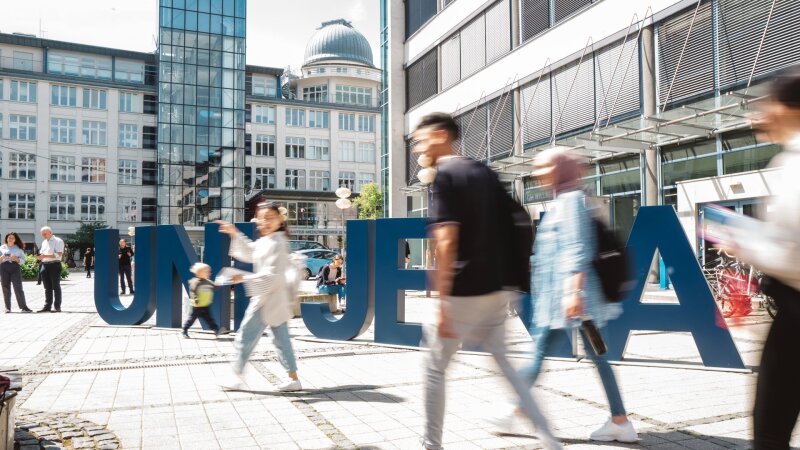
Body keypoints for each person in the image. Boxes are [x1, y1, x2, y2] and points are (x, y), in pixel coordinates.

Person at [413, 113, 560, 450]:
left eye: (420, 140)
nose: (417, 148)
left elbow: (447, 239)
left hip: (463, 291)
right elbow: (517, 221)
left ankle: (430, 444)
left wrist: (442, 300)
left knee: (434, 367)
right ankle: (549, 437)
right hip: (496, 288)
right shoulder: (483, 171)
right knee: (505, 365)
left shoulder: (446, 175)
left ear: (439, 136)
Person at [494, 147, 636, 442]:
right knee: (598, 357)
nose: (538, 174)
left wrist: (574, 293)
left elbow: (577, 249)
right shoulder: (568, 199)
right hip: (567, 299)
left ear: (561, 169)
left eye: (544, 168)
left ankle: (516, 413)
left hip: (568, 300)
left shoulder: (571, 201)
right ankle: (620, 421)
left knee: (541, 354)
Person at [723, 70, 800, 450]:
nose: (757, 116)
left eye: (766, 105)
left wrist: (744, 242)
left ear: (787, 108)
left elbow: (791, 252)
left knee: (770, 428)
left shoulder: (794, 165)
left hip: (796, 312)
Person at [217, 201, 302, 392]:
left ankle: (236, 376)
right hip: (272, 298)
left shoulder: (278, 243)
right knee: (281, 340)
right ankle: (293, 379)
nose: (265, 222)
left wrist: (243, 277)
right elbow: (251, 251)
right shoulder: (268, 240)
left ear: (280, 219)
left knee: (246, 336)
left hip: (267, 298)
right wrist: (234, 232)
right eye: (262, 218)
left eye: (270, 218)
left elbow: (274, 275)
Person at [182, 262, 220, 338]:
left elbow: (215, 286)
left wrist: (217, 285)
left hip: (206, 304)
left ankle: (216, 329)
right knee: (192, 319)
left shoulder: (208, 282)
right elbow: (193, 292)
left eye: (209, 271)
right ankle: (185, 330)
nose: (209, 273)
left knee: (209, 318)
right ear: (199, 273)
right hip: (197, 305)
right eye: (207, 271)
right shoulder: (195, 282)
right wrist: (196, 301)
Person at [1, 232, 32, 313]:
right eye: (9, 237)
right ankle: (7, 308)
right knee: (5, 287)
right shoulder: (1, 247)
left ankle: (24, 307)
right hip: (4, 267)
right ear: (6, 239)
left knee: (18, 287)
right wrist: (2, 257)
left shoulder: (18, 248)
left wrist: (17, 259)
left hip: (15, 267)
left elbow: (23, 260)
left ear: (15, 240)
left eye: (12, 238)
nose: (10, 239)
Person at [37, 226, 64, 313]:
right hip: (44, 265)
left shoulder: (58, 240)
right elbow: (42, 253)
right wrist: (39, 258)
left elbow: (59, 254)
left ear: (50, 232)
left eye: (44, 234)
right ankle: (47, 306)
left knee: (56, 286)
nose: (43, 236)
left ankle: (57, 307)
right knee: (47, 287)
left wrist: (45, 256)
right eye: (42, 234)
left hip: (54, 265)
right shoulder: (44, 242)